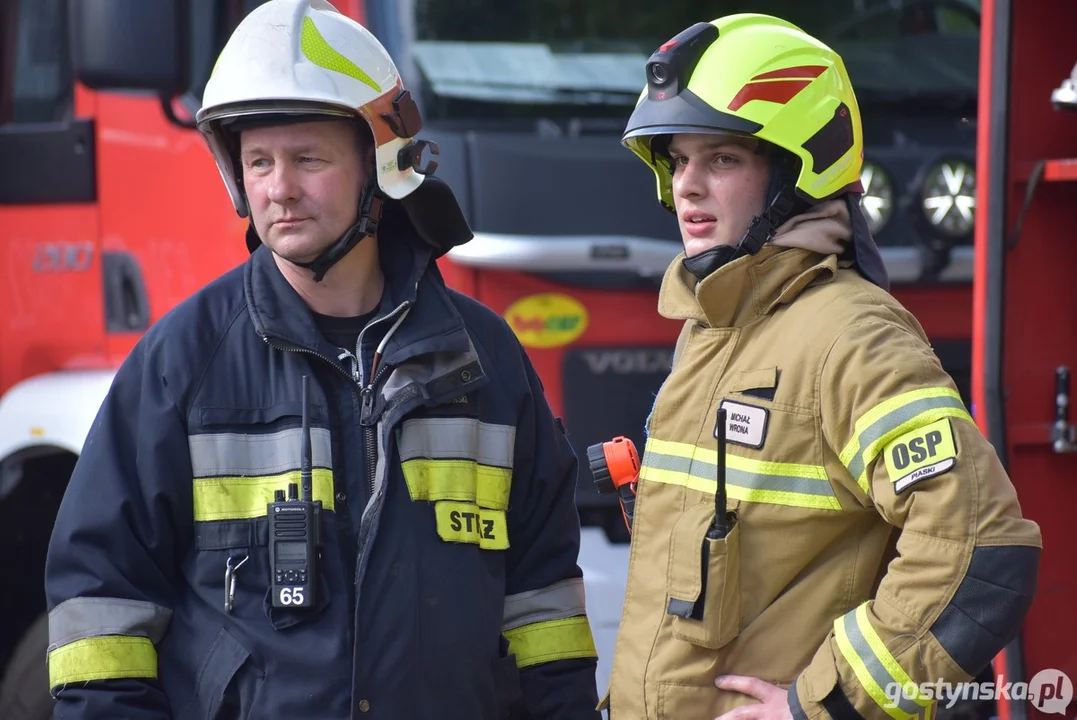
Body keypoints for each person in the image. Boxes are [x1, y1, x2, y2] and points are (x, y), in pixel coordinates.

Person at [43, 1, 601, 718]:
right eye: (258, 162)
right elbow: (102, 612)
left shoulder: (483, 362)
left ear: (381, 167)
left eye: (308, 159)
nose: (279, 189)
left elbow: (543, 605)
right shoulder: (181, 364)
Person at [600, 14, 1043, 720]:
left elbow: (978, 549)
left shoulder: (851, 336)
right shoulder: (711, 328)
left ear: (794, 170)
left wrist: (824, 704)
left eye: (721, 159)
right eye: (677, 159)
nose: (686, 186)